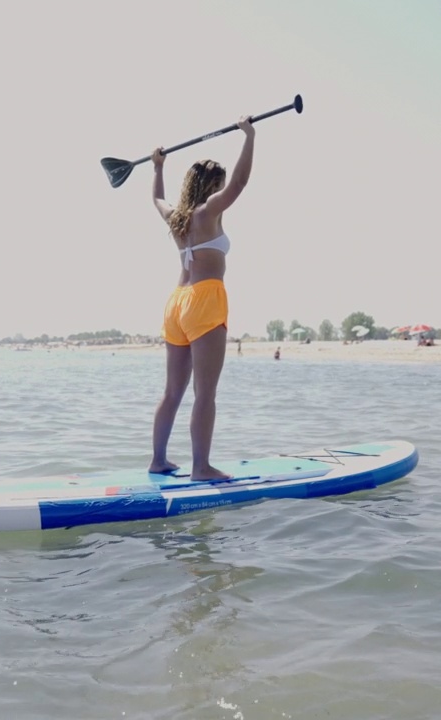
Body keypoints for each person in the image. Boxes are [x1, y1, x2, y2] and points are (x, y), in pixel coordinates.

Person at [147, 116, 256, 481]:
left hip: (176, 302)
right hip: (205, 300)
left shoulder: (176, 218)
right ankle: (201, 467)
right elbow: (240, 183)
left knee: (173, 391)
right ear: (211, 186)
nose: (222, 191)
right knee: (204, 393)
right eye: (218, 186)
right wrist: (249, 136)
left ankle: (159, 460)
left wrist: (158, 167)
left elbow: (157, 198)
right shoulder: (208, 212)